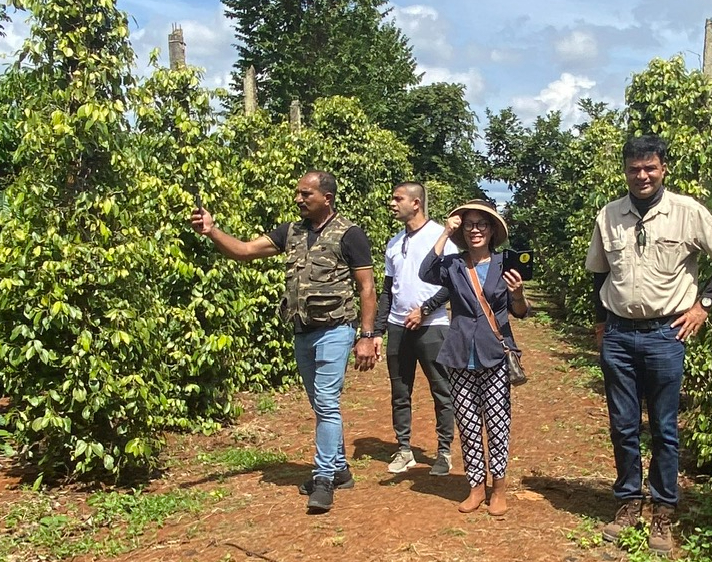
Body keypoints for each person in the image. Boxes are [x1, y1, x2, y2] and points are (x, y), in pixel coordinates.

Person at [585, 135, 712, 555]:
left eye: (650, 168)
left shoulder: (687, 212)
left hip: (665, 335)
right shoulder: (609, 215)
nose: (642, 176)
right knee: (623, 425)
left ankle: (664, 512)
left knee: (665, 428)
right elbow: (599, 273)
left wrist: (703, 306)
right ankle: (628, 503)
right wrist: (601, 323)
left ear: (663, 169)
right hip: (619, 334)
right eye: (635, 169)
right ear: (625, 170)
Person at [190, 170, 380, 515]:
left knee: (325, 401)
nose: (298, 199)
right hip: (302, 331)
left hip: (336, 329)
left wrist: (367, 336)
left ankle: (323, 478)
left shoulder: (350, 234)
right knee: (319, 403)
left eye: (306, 194)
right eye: (298, 193)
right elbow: (245, 251)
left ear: (327, 198)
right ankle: (339, 469)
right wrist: (211, 230)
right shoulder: (291, 232)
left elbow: (367, 287)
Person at [420, 199, 530, 517]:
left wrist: (519, 293)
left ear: (492, 230)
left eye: (482, 224)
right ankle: (475, 487)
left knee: (496, 423)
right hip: (459, 354)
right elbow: (425, 270)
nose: (475, 230)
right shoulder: (454, 265)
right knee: (468, 425)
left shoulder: (503, 264)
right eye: (469, 225)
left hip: (494, 353)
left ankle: (498, 488)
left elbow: (519, 312)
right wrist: (445, 231)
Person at [375, 182, 457, 476]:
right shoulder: (394, 242)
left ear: (416, 203)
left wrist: (424, 310)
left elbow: (453, 284)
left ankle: (444, 452)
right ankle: (404, 449)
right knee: (400, 389)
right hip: (398, 326)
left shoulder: (442, 237)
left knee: (442, 389)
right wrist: (377, 331)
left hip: (432, 326)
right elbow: (388, 290)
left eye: (398, 199)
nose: (392, 203)